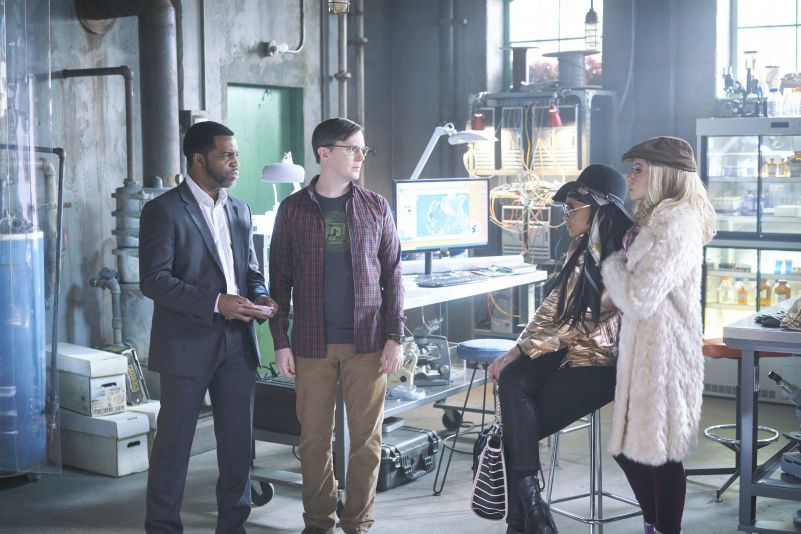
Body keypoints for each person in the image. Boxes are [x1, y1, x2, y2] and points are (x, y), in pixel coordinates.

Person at [140, 120, 278, 534]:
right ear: (199, 159)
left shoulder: (240, 209)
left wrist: (261, 296)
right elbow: (154, 280)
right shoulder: (163, 210)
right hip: (186, 344)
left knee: (237, 446)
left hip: (238, 343)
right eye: (227, 155)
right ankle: (162, 528)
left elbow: (249, 270)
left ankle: (233, 526)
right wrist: (217, 302)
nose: (236, 162)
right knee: (174, 446)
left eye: (237, 154)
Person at [268, 117, 405, 534]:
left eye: (364, 149)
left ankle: (358, 523)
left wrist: (395, 337)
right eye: (353, 148)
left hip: (368, 343)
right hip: (311, 344)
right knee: (313, 441)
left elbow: (393, 275)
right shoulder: (292, 210)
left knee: (366, 441)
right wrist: (280, 341)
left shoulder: (376, 207)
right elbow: (279, 282)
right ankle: (318, 523)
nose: (361, 156)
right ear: (324, 153)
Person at [488, 164, 634, 534]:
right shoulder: (579, 246)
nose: (564, 216)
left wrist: (524, 350)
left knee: (515, 429)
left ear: (598, 208)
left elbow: (584, 321)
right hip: (566, 351)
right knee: (510, 379)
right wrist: (516, 350)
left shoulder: (621, 256)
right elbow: (551, 308)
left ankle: (523, 521)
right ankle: (530, 511)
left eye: (571, 208)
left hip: (599, 363)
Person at [601, 137, 716, 534]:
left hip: (666, 355)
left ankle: (663, 528)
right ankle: (655, 524)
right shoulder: (658, 220)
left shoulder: (676, 223)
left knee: (661, 456)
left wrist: (613, 267)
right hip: (648, 352)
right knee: (632, 450)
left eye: (638, 169)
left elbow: (638, 297)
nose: (629, 177)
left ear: (665, 174)